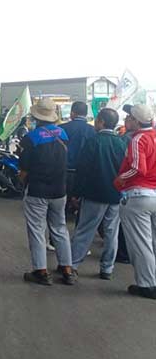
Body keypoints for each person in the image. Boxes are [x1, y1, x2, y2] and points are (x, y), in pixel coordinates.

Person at [18, 98, 76, 285]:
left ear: (36, 116)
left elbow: (23, 170)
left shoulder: (31, 137)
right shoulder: (64, 134)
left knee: (37, 230)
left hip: (37, 190)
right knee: (60, 228)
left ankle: (41, 272)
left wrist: (23, 182)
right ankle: (67, 269)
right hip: (60, 190)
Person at [69, 108, 128, 279]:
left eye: (97, 120)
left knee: (85, 230)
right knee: (112, 232)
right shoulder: (121, 143)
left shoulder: (93, 142)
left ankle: (73, 266)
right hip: (116, 195)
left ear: (101, 121)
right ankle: (107, 269)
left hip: (95, 194)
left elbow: (83, 170)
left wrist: (76, 193)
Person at [114, 104, 156, 299]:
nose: (126, 120)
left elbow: (139, 168)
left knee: (141, 244)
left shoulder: (139, 138)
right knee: (153, 242)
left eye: (129, 117)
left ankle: (147, 285)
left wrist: (121, 178)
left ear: (137, 121)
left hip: (140, 195)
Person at [60, 101, 97, 212]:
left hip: (64, 171)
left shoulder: (62, 128)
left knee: (61, 206)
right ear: (85, 114)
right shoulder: (93, 130)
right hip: (84, 173)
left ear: (72, 113)